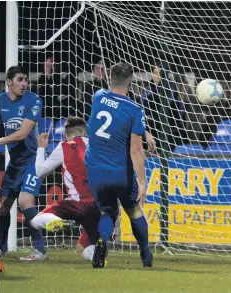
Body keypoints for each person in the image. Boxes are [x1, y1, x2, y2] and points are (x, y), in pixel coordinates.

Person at [85, 62, 153, 268]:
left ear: (109, 79)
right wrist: (142, 182)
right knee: (134, 211)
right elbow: (136, 149)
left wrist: (143, 131)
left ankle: (102, 241)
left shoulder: (98, 96)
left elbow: (112, 117)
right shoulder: (135, 110)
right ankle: (146, 256)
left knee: (107, 212)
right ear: (131, 82)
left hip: (95, 171)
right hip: (119, 172)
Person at [31, 116, 100, 262]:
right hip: (100, 206)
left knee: (36, 220)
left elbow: (40, 172)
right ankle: (96, 256)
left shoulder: (64, 146)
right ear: (85, 132)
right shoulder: (98, 146)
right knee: (83, 248)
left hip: (77, 205)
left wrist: (41, 148)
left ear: (65, 135)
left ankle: (54, 221)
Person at [0, 66, 47, 261]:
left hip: (32, 159)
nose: (24, 83)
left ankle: (40, 250)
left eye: (26, 79)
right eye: (20, 79)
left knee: (25, 201)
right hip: (15, 162)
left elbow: (23, 133)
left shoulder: (33, 100)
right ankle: (1, 248)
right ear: (9, 82)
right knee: (1, 207)